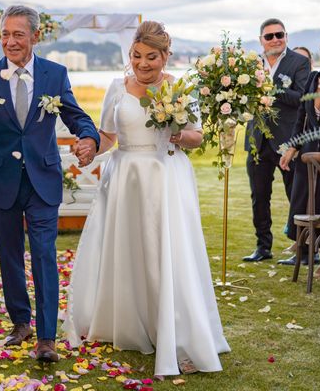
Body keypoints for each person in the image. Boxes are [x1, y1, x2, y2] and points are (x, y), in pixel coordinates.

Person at [63, 21, 230, 376]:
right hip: (125, 176)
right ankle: (128, 321)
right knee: (127, 248)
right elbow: (108, 135)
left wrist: (178, 135)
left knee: (165, 251)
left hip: (165, 175)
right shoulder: (116, 88)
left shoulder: (180, 89)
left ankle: (173, 327)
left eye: (151, 57)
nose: (143, 63)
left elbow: (197, 136)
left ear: (165, 56)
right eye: (136, 56)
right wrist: (90, 149)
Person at [0, 5, 100, 363]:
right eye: (5, 34)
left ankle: (46, 338)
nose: (9, 42)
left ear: (35, 37)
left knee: (43, 255)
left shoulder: (55, 74)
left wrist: (89, 137)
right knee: (8, 257)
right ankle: (20, 322)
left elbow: (75, 115)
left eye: (18, 34)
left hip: (42, 179)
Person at [243, 18, 311, 262]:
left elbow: (303, 98)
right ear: (261, 40)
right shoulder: (250, 64)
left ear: (286, 36)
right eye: (269, 36)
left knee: (297, 196)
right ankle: (263, 247)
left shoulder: (299, 62)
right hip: (257, 140)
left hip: (287, 141)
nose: (275, 39)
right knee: (258, 196)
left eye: (279, 34)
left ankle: (304, 250)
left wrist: (272, 87)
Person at [279, 36, 320, 277]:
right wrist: (292, 147)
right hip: (308, 152)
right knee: (309, 204)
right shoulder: (313, 77)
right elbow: (302, 114)